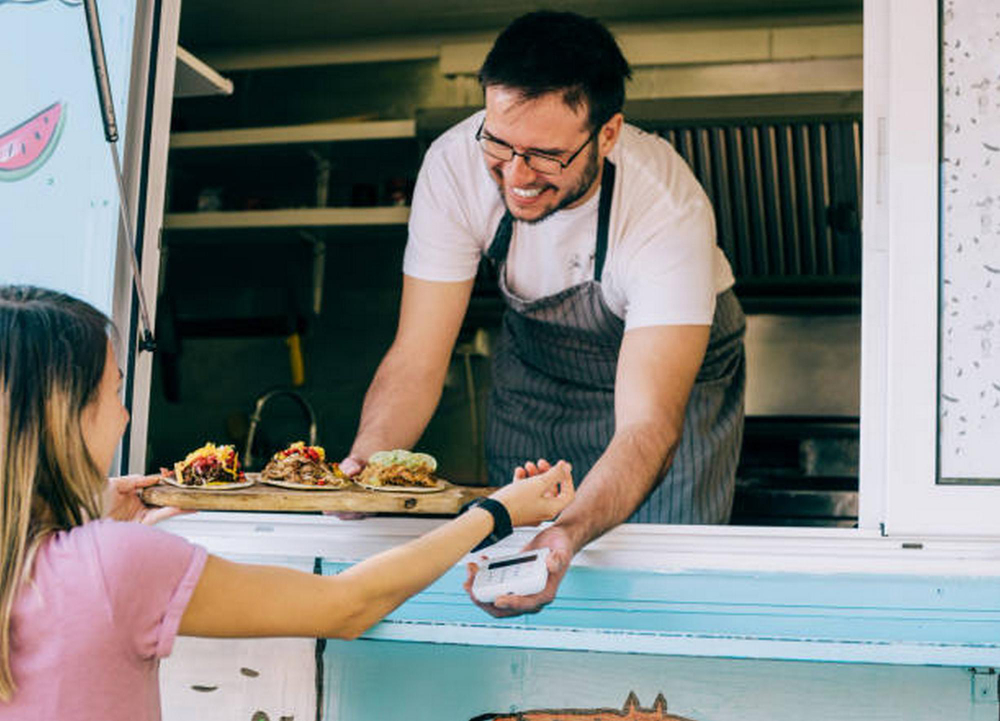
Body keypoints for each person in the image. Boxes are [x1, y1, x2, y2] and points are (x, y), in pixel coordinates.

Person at [0, 285, 574, 719]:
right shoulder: (112, 562)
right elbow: (347, 605)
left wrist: (79, 521)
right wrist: (496, 513)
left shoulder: (62, 560)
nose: (125, 413)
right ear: (65, 416)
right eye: (115, 388)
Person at [340, 10, 745, 618]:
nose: (517, 175)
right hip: (539, 374)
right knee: (513, 556)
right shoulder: (454, 166)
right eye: (499, 143)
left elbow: (648, 428)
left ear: (607, 135)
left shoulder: (665, 208)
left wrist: (565, 535)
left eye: (545, 155)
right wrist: (365, 468)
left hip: (669, 392)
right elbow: (418, 357)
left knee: (650, 572)